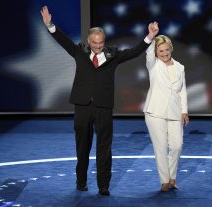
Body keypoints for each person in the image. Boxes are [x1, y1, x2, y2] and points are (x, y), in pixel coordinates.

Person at [40, 6, 159, 196]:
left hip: (103, 107)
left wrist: (150, 36)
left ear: (104, 41)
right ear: (89, 41)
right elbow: (63, 41)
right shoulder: (79, 52)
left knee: (104, 148)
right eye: (94, 43)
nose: (98, 46)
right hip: (83, 106)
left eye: (101, 42)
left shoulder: (113, 55)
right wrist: (50, 25)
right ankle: (81, 182)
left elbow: (134, 52)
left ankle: (104, 186)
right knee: (82, 147)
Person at [143, 34, 189, 192]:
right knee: (161, 147)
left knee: (177, 145)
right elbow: (148, 52)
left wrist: (184, 111)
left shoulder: (180, 67)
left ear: (171, 49)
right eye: (160, 51)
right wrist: (151, 36)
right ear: (156, 52)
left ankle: (172, 176)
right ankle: (165, 180)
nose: (164, 53)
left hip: (175, 112)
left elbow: (182, 90)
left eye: (166, 49)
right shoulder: (153, 64)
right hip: (155, 111)